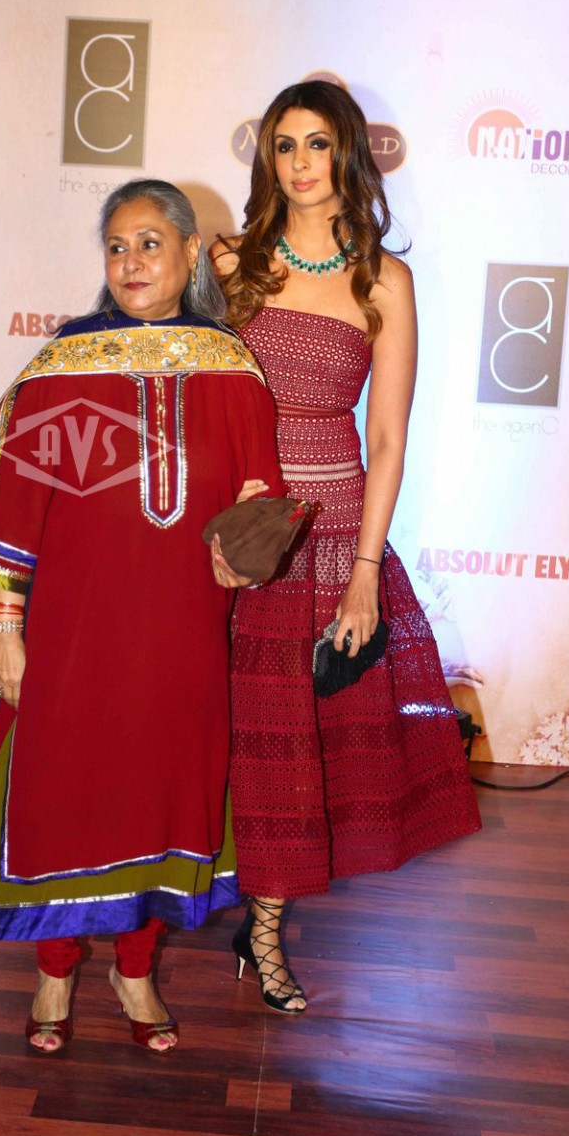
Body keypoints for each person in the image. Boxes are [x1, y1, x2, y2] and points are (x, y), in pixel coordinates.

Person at [0, 179, 284, 1054]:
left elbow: (259, 495)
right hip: (75, 636)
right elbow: (17, 513)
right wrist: (6, 629)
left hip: (181, 638)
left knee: (163, 801)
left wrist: (249, 547)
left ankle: (135, 970)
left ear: (191, 252)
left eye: (150, 243)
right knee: (62, 799)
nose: (131, 263)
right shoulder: (65, 369)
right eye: (117, 247)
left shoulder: (232, 370)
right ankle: (54, 972)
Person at [210, 81, 482, 1013]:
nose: (300, 163)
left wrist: (365, 573)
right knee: (220, 737)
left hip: (328, 543)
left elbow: (389, 440)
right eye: (284, 145)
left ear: (347, 154)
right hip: (232, 538)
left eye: (317, 143)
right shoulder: (229, 263)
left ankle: (265, 934)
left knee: (296, 748)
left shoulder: (384, 281)